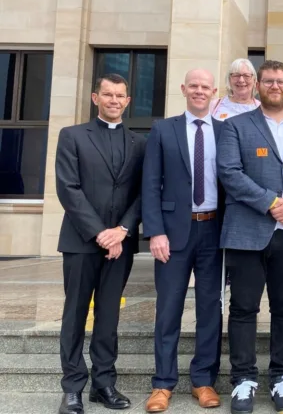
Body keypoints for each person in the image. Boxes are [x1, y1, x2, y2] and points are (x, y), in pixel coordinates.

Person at [217, 60, 283, 414]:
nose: (275, 86)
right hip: (247, 232)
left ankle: (281, 378)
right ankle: (243, 379)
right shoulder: (236, 127)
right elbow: (229, 172)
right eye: (269, 81)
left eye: (282, 81)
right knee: (243, 308)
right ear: (258, 85)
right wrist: (272, 203)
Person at [55, 73, 146, 414]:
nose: (113, 100)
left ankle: (104, 384)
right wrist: (100, 233)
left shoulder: (140, 143)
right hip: (81, 242)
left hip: (120, 246)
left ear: (127, 101)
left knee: (108, 318)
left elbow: (142, 193)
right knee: (75, 315)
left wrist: (122, 230)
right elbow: (68, 189)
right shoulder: (73, 136)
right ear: (96, 98)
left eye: (120, 95)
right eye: (107, 94)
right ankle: (73, 387)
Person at [141, 69, 225, 413]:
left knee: (210, 309)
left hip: (214, 231)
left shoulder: (225, 131)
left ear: (214, 92)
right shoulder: (163, 129)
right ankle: (163, 383)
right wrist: (155, 231)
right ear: (183, 89)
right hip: (173, 232)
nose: (199, 91)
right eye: (194, 86)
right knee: (169, 308)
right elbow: (150, 183)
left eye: (205, 87)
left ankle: (203, 380)